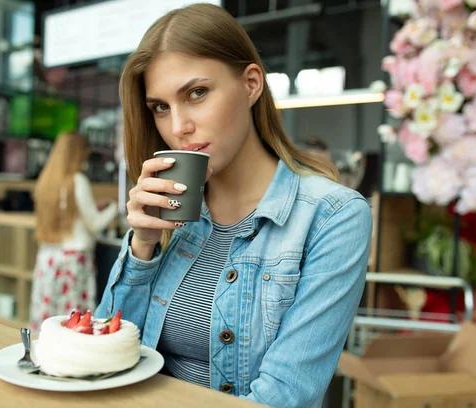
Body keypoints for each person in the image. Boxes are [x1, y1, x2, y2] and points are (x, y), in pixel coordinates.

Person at [94, 4, 372, 407]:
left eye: (196, 93)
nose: (178, 127)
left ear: (251, 84)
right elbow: (107, 354)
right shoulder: (171, 212)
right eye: (160, 107)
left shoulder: (332, 217)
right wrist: (142, 246)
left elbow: (286, 395)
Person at [30, 131, 117, 333]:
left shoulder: (46, 182)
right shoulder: (78, 181)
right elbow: (94, 224)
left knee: (49, 323)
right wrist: (114, 207)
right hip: (73, 262)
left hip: (48, 258)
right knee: (73, 325)